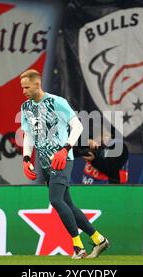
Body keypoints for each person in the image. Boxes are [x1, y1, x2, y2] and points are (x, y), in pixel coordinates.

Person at [19, 69, 109, 259]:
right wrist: (26, 158)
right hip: (45, 163)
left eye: (27, 87)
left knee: (56, 200)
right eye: (22, 87)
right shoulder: (26, 107)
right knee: (67, 203)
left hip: (62, 160)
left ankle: (78, 247)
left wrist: (65, 149)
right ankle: (99, 239)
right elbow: (28, 135)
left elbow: (78, 126)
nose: (24, 91)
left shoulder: (57, 102)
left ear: (37, 84)